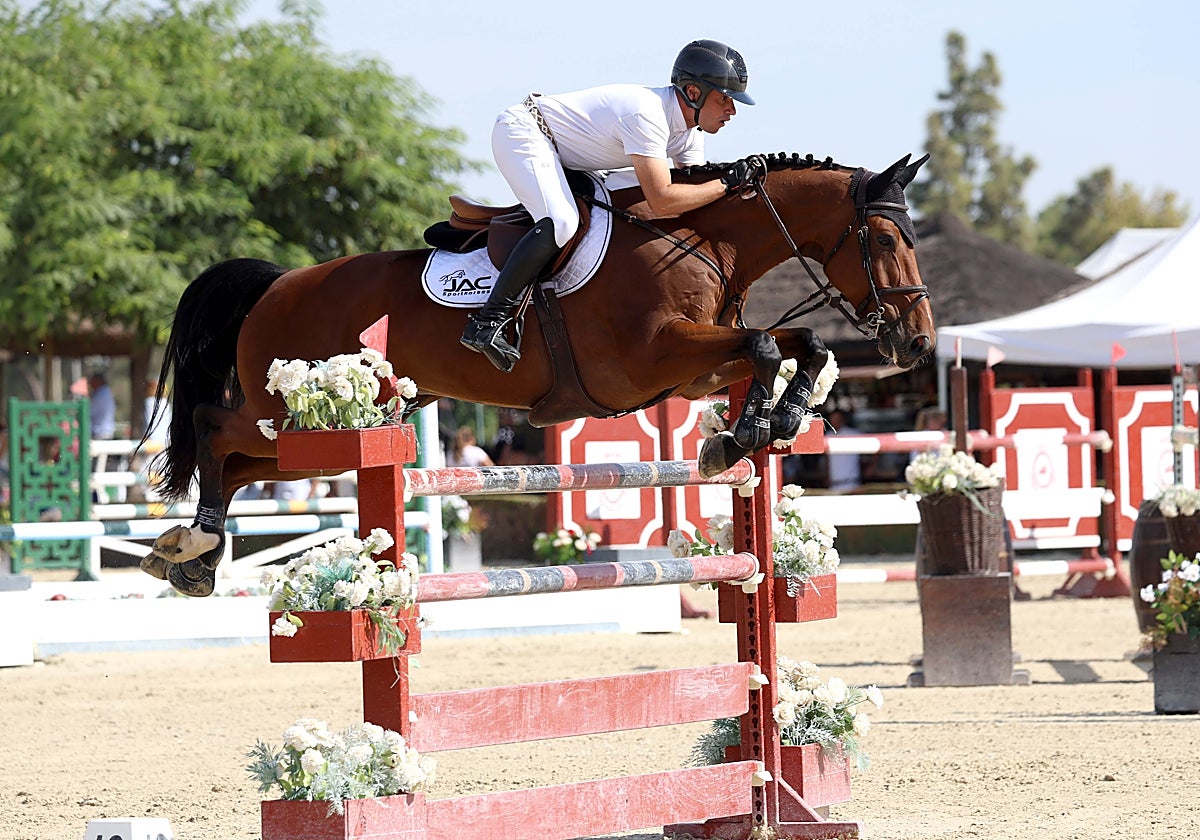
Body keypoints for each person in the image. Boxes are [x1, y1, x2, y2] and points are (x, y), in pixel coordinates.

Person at [460, 39, 758, 372]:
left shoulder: (689, 133)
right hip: (526, 132)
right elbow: (662, 199)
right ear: (692, 92)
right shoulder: (647, 114)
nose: (732, 111)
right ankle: (488, 321)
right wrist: (726, 183)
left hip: (571, 157)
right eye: (725, 99)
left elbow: (692, 198)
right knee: (561, 222)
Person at [825, 409, 862, 493]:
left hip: (852, 483)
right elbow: (827, 459)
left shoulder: (853, 434)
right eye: (833, 419)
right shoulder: (828, 435)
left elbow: (877, 443)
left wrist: (872, 467)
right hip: (833, 484)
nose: (835, 421)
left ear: (843, 419)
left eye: (837, 418)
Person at [88, 372, 116, 440]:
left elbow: (89, 412)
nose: (91, 385)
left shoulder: (100, 394)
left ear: (98, 381)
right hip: (106, 431)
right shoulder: (107, 392)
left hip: (100, 433)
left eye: (92, 382)